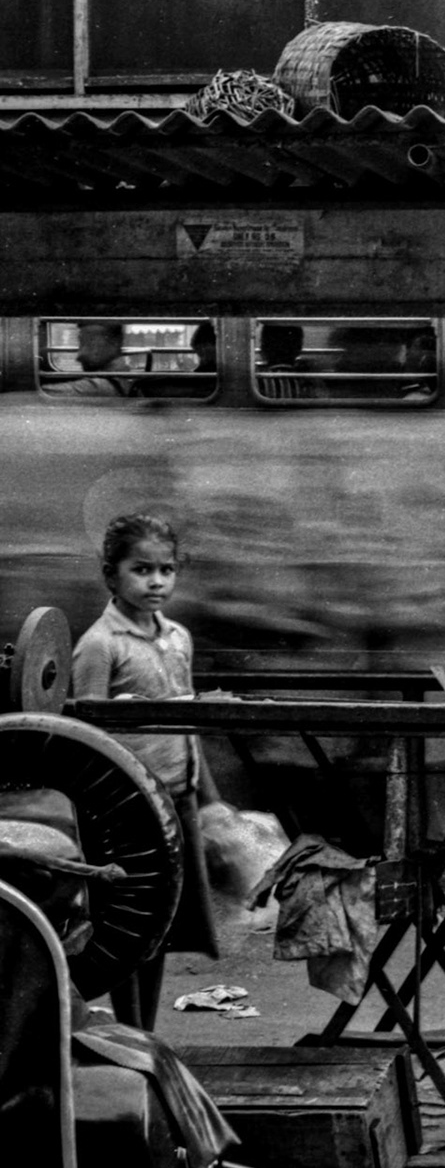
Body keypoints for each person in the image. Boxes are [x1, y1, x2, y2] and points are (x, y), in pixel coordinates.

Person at [71, 514, 221, 1028]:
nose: (157, 582)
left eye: (167, 569)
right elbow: (85, 737)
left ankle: (145, 1031)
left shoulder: (178, 637)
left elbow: (188, 726)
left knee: (159, 927)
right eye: (142, 570)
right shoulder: (100, 645)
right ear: (111, 575)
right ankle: (130, 1031)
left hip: (176, 800)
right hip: (125, 812)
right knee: (126, 929)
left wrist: (208, 798)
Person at [42, 321, 130, 396]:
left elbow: (40, 394)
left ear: (114, 343)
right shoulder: (120, 378)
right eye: (82, 343)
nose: (79, 356)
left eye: (89, 344)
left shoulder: (104, 387)